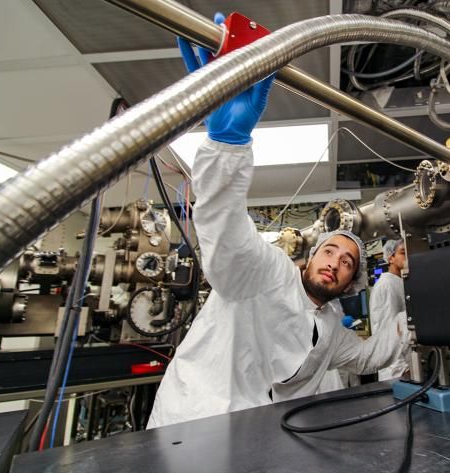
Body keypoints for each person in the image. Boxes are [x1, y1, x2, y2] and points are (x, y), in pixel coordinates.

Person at [146, 16, 407, 428]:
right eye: (330, 251)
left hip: (262, 439)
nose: (335, 263)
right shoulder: (270, 274)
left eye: (347, 263)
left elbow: (369, 357)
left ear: (352, 282)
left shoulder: (331, 330)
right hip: (194, 423)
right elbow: (227, 237)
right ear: (308, 257)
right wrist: (227, 148)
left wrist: (414, 319)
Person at [370, 239, 409, 381]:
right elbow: (388, 331)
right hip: (397, 371)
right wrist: (401, 368)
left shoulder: (400, 282)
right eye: (403, 253)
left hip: (409, 363)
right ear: (390, 258)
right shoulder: (387, 285)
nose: (407, 257)